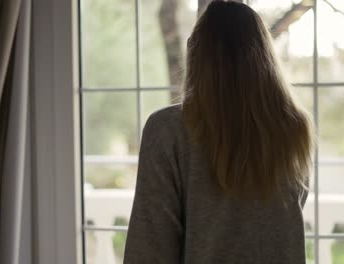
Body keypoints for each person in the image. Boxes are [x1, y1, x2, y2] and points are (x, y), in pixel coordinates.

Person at [123, 1, 315, 263]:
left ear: (196, 53)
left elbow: (150, 244)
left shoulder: (168, 130)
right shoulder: (295, 127)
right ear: (265, 53)